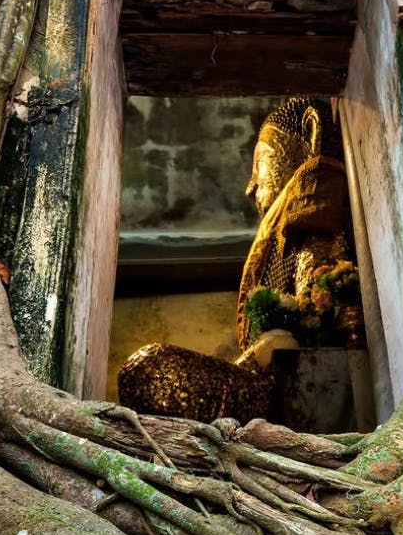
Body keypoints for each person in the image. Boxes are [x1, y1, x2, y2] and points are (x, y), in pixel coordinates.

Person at [117, 97, 369, 426]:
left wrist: (256, 360)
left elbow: (312, 340)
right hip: (269, 383)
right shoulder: (291, 241)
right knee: (142, 368)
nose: (250, 187)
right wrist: (250, 361)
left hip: (293, 391)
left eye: (260, 162)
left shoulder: (313, 229)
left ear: (310, 136)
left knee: (148, 368)